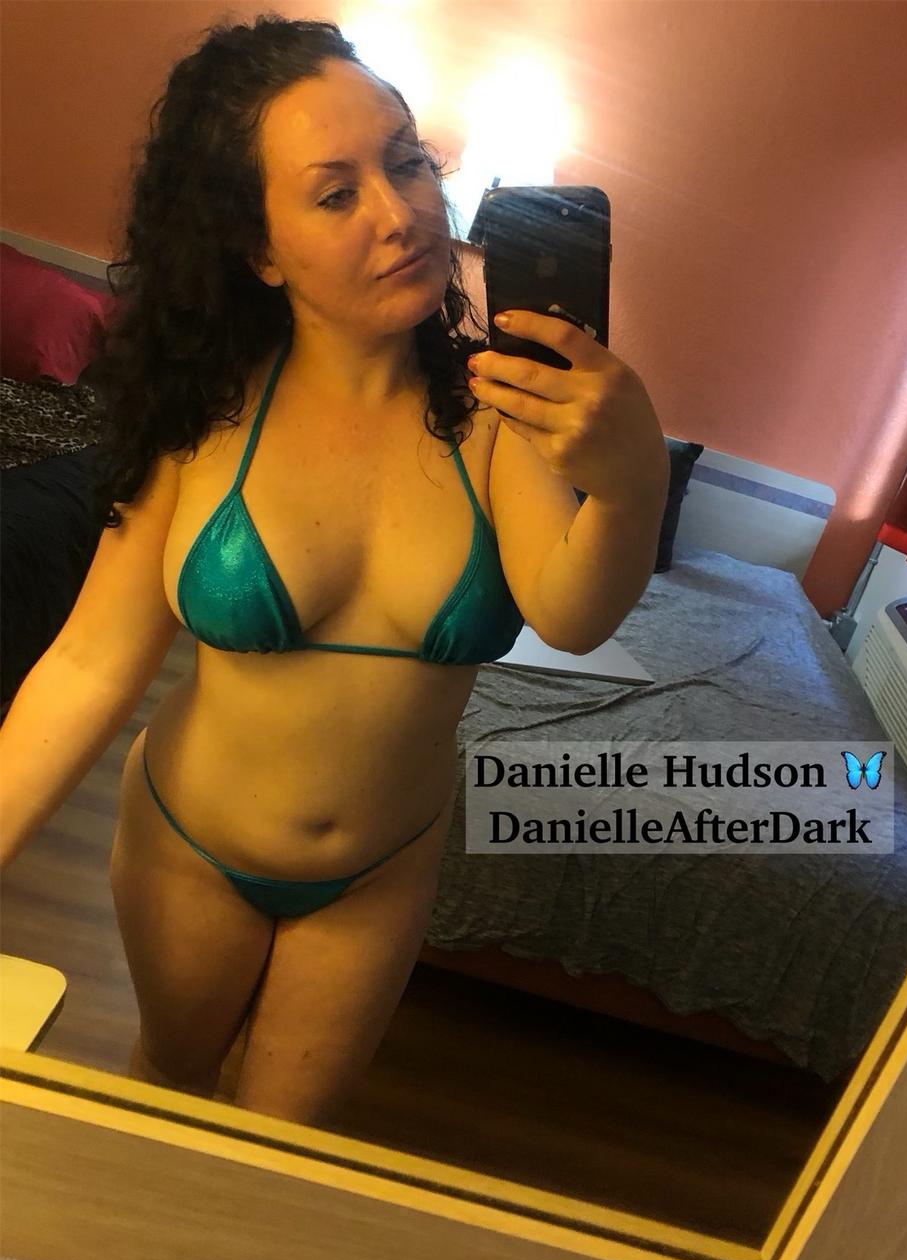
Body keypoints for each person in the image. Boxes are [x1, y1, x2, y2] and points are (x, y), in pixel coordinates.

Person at [0, 14, 669, 1128]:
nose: (400, 213)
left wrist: (630, 485)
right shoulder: (202, 417)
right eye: (335, 193)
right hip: (189, 848)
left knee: (285, 1150)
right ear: (260, 249)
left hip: (379, 874)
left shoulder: (494, 417)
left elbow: (573, 614)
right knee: (167, 1095)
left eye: (406, 162)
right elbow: (88, 666)